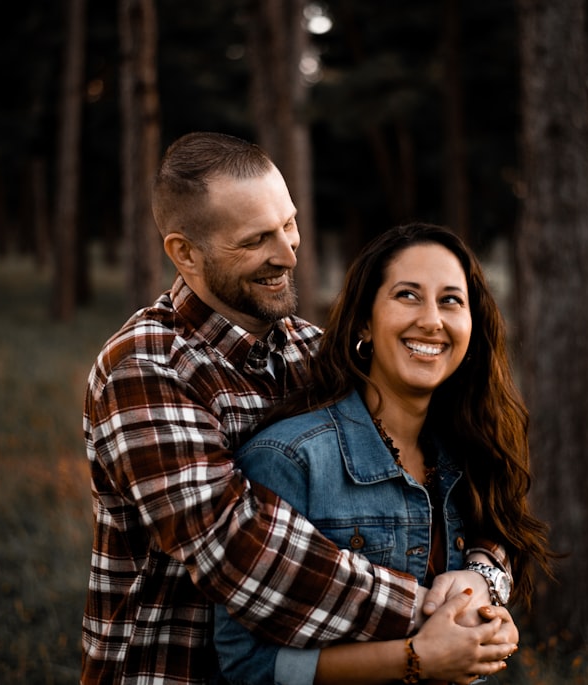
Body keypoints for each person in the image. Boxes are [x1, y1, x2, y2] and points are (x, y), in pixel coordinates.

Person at [82, 133, 516, 685]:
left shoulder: (313, 350)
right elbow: (237, 548)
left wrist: (482, 574)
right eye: (257, 239)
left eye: (288, 225)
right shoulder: (145, 367)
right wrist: (437, 612)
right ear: (185, 252)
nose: (288, 254)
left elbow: (465, 484)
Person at [213, 223, 555, 684]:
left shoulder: (470, 451)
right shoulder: (290, 459)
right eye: (408, 295)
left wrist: (486, 604)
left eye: (451, 300)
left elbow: (494, 555)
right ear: (363, 323)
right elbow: (244, 666)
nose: (432, 320)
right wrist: (416, 658)